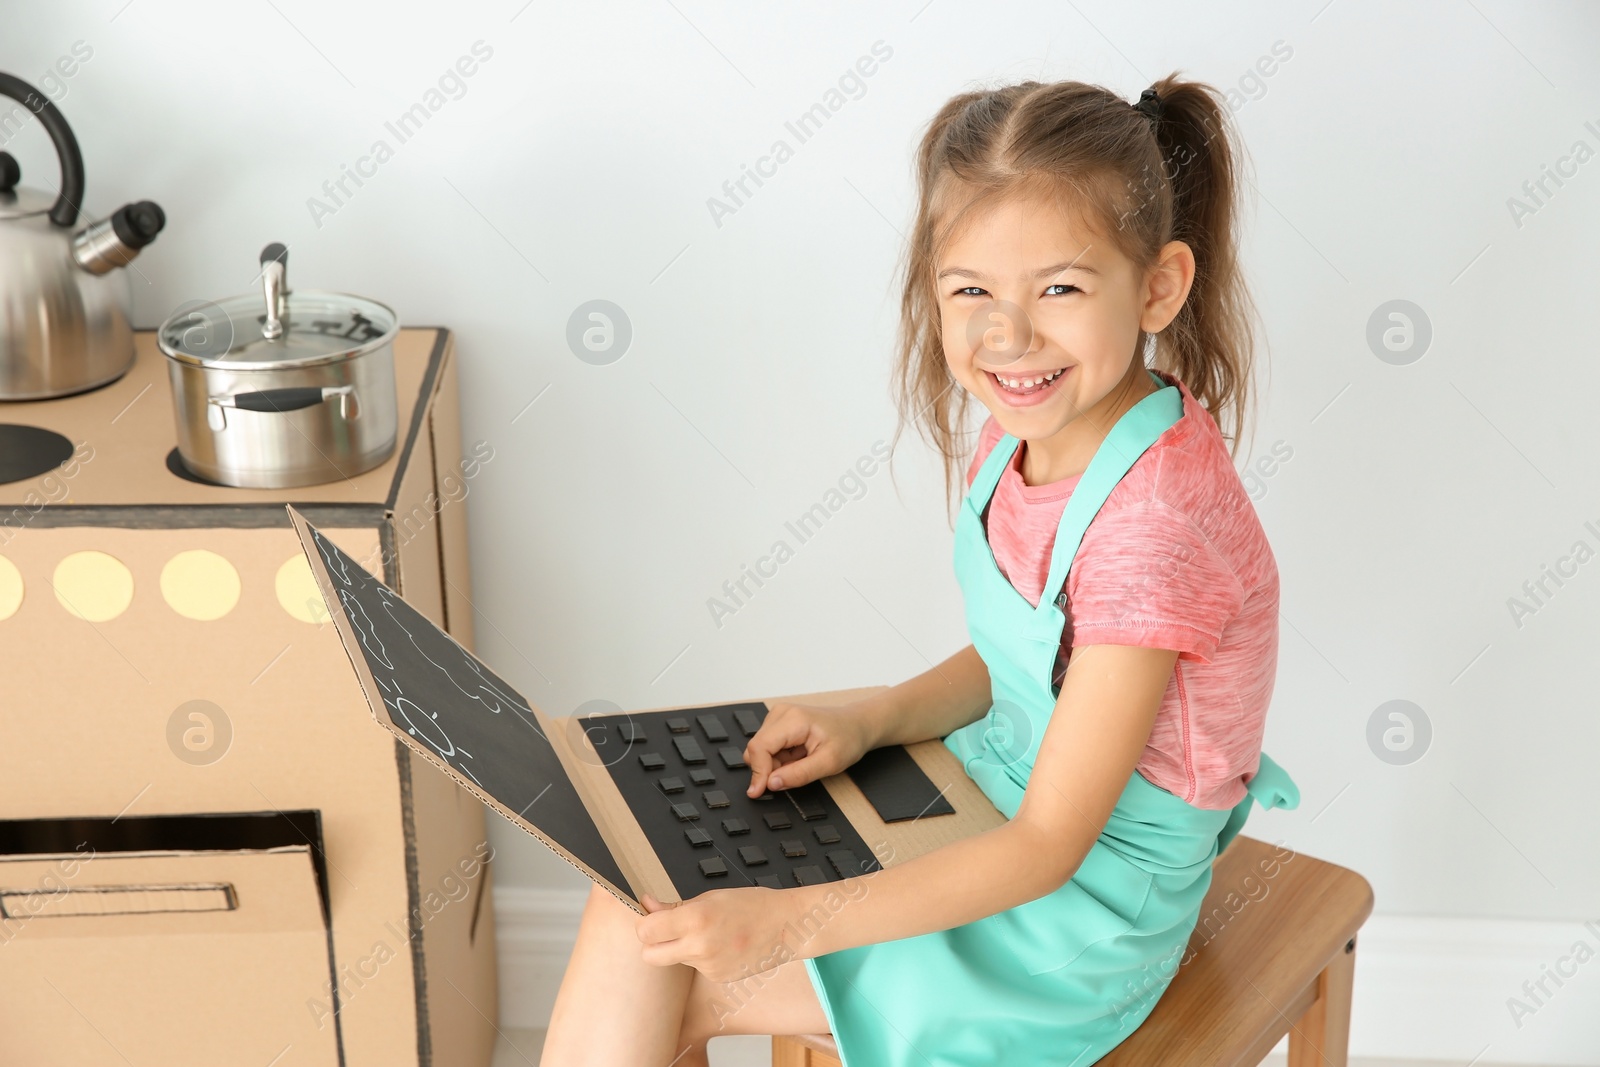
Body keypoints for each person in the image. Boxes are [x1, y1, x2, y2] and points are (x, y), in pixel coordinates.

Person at [542, 72, 1300, 1067]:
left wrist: (792, 923)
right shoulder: (1034, 426)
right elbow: (1029, 656)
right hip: (992, 798)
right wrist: (873, 716)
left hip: (1077, 916)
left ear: (1157, 285)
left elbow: (1046, 849)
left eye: (1059, 289)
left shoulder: (1152, 531)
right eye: (971, 291)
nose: (1009, 334)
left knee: (653, 953)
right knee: (640, 895)